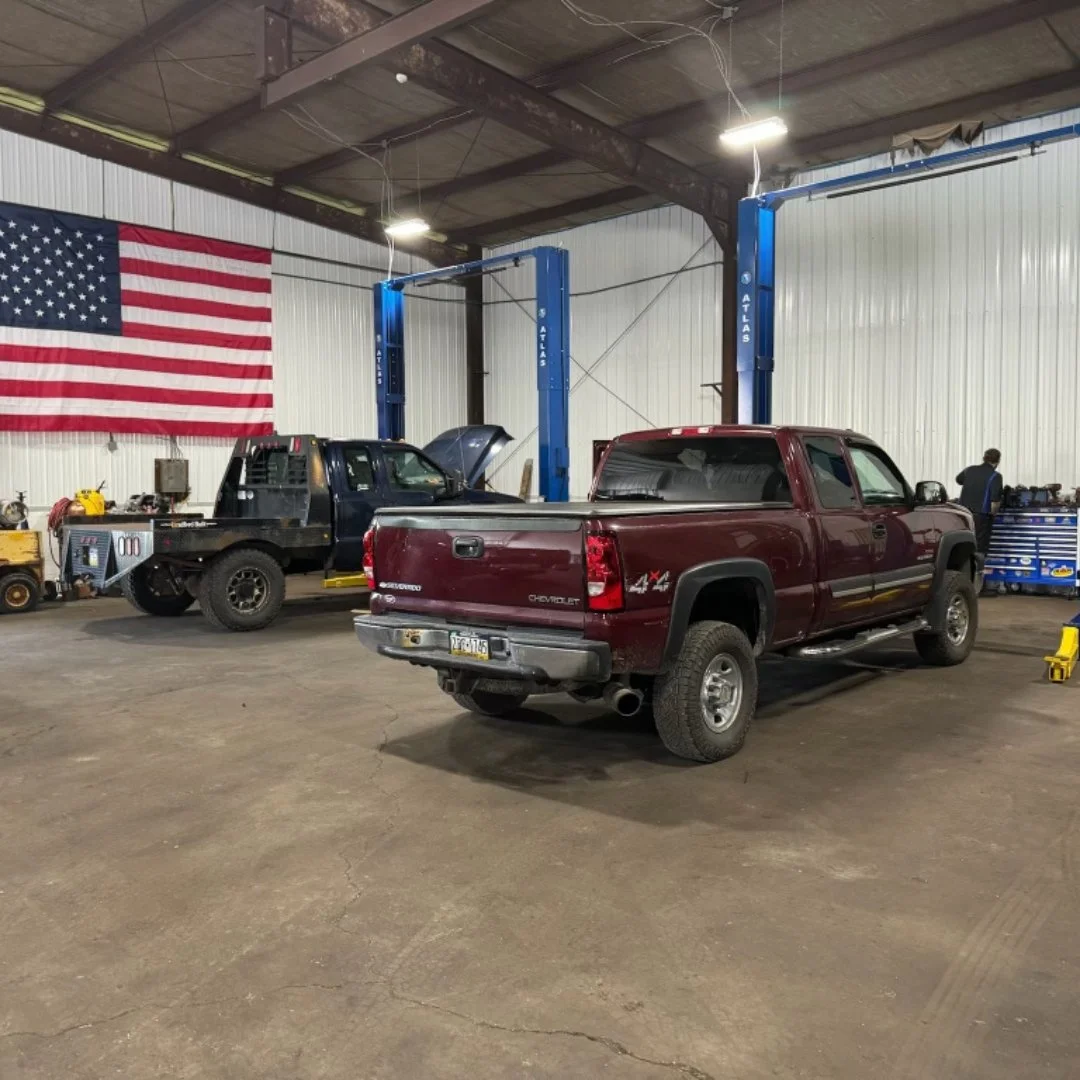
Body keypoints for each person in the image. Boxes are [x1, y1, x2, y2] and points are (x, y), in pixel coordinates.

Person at [956, 448, 1003, 589]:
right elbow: (995, 501)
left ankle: (960, 582)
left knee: (963, 546)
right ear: (997, 461)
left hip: (963, 515)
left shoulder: (969, 470)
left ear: (984, 457)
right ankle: (976, 587)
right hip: (981, 517)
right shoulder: (995, 476)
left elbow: (958, 480)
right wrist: (993, 514)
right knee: (980, 549)